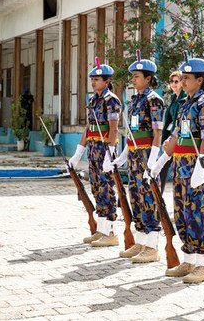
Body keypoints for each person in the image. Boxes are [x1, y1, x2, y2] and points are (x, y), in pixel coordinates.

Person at [150, 53, 204, 284]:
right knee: (181, 214)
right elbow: (177, 135)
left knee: (198, 214)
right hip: (180, 166)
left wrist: (201, 166)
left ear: (200, 80)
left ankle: (203, 264)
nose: (184, 80)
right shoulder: (184, 104)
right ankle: (188, 258)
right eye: (183, 77)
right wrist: (161, 161)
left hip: (195, 166)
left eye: (188, 77)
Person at [107, 52, 164, 262]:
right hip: (133, 155)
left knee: (148, 198)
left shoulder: (154, 100)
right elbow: (131, 134)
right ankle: (141, 241)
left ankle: (152, 246)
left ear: (148, 78)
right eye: (132, 76)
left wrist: (153, 159)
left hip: (147, 153)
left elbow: (157, 133)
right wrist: (123, 155)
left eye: (137, 76)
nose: (133, 79)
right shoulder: (134, 101)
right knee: (136, 197)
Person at [67, 58, 121, 247]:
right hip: (93, 149)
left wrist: (111, 152)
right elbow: (88, 128)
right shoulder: (93, 100)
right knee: (96, 188)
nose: (93, 82)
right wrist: (78, 153)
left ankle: (112, 232)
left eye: (97, 79)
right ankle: (102, 229)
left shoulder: (111, 100)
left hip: (105, 149)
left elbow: (114, 129)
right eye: (92, 79)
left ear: (107, 81)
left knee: (106, 189)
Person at [159, 70, 186, 193]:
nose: (173, 84)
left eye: (176, 81)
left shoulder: (185, 98)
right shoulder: (173, 98)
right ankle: (159, 201)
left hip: (180, 139)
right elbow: (169, 121)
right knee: (162, 169)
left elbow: (179, 122)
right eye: (171, 81)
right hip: (170, 138)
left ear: (182, 82)